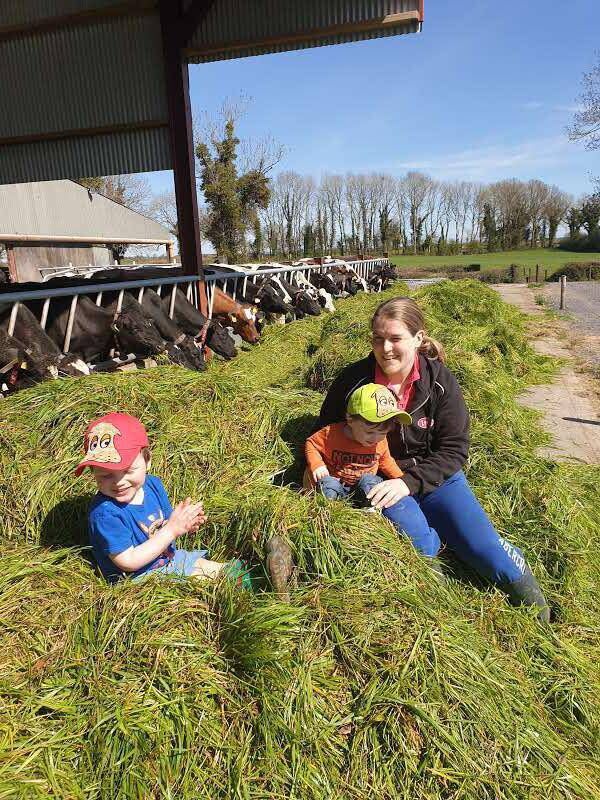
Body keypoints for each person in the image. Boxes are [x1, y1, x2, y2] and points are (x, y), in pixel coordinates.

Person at [317, 296, 550, 622]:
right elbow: (325, 433)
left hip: (436, 477)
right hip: (378, 481)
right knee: (418, 550)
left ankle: (538, 611)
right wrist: (330, 476)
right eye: (378, 338)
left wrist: (408, 482)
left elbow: (454, 449)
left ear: (418, 338)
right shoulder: (352, 380)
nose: (385, 349)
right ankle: (441, 597)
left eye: (395, 338)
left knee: (488, 553)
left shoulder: (440, 381)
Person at [77, 412, 292, 594]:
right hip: (138, 580)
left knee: (211, 568)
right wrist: (171, 530)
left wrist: (184, 524)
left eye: (127, 470)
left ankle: (266, 574)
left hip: (165, 559)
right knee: (207, 577)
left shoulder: (152, 485)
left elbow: (164, 524)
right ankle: (264, 583)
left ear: (147, 460)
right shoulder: (105, 513)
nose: (119, 482)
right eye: (105, 476)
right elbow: (128, 561)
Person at [305, 382, 441, 556]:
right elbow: (311, 443)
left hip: (361, 487)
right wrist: (317, 464)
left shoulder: (379, 441)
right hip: (336, 483)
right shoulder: (331, 433)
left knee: (371, 481)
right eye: (370, 432)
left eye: (383, 433)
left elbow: (386, 461)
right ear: (350, 419)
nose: (376, 438)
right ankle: (329, 514)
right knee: (328, 484)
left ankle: (370, 510)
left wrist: (402, 480)